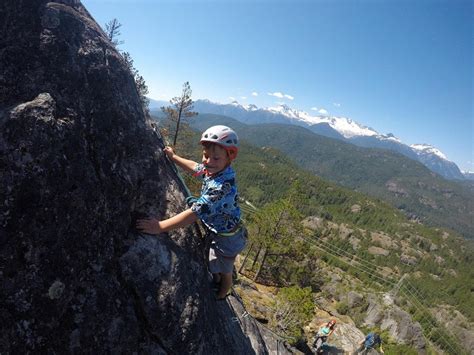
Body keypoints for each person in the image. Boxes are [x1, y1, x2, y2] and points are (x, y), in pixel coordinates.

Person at [136, 125, 246, 300]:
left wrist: (160, 226)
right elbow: (196, 167)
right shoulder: (216, 170)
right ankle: (216, 277)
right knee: (215, 262)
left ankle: (222, 294)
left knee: (226, 270)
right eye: (206, 155)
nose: (208, 161)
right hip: (222, 231)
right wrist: (173, 157)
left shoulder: (220, 189)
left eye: (215, 158)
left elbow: (193, 214)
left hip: (228, 238)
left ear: (230, 157)